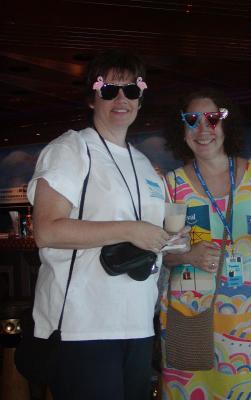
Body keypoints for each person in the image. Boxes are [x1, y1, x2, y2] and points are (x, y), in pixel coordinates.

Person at [27, 48, 171, 400]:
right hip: (82, 327)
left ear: (140, 97)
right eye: (109, 90)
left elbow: (152, 240)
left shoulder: (144, 164)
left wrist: (176, 244)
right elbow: (47, 230)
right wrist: (129, 229)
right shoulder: (72, 149)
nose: (121, 98)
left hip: (137, 322)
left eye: (131, 90)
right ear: (93, 98)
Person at [160, 87, 251, 399]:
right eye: (192, 119)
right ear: (181, 129)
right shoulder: (173, 185)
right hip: (195, 315)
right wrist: (189, 255)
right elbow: (164, 253)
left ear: (226, 124)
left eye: (212, 118)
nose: (203, 129)